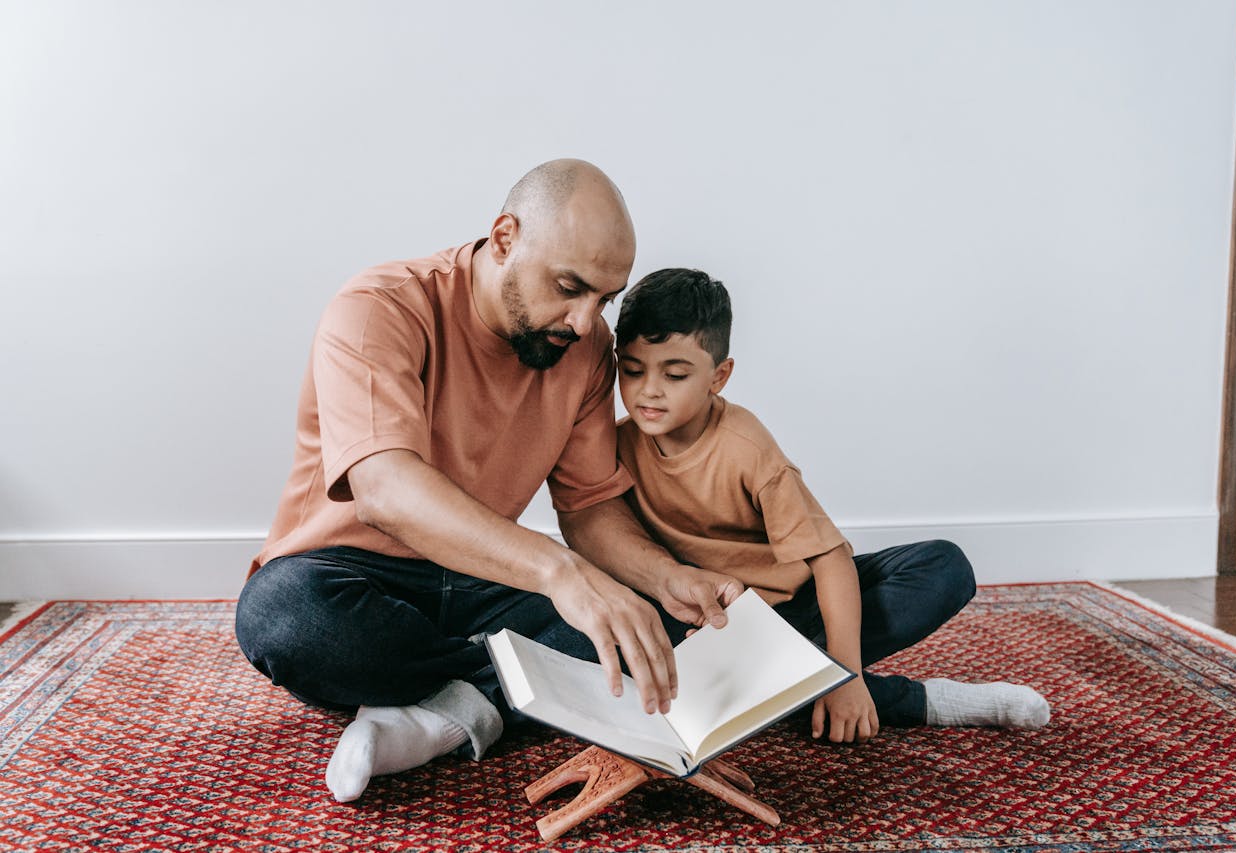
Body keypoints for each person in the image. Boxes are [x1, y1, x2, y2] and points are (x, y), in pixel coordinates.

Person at [234, 161, 742, 803]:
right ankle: (500, 689)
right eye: (569, 287)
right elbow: (386, 491)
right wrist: (562, 575)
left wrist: (667, 579)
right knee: (284, 618)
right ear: (504, 238)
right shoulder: (379, 308)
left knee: (649, 628)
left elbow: (589, 510)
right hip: (350, 575)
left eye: (604, 300)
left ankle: (446, 709)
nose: (586, 323)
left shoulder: (582, 349)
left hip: (485, 579)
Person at [613, 268, 1050, 745]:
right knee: (594, 650)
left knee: (944, 565)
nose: (649, 390)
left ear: (719, 377)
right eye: (632, 370)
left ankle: (802, 680)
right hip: (702, 624)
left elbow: (831, 559)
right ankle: (915, 700)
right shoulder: (612, 445)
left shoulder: (746, 447)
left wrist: (846, 672)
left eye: (674, 374)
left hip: (790, 612)